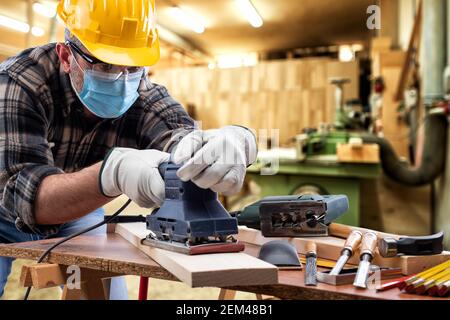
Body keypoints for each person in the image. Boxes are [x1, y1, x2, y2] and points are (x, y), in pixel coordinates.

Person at [0, 0, 256, 299]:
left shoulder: (142, 92)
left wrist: (229, 142)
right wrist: (112, 174)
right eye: (105, 64)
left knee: (102, 295)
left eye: (133, 66)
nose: (122, 80)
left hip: (76, 212)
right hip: (2, 208)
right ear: (66, 55)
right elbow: (22, 196)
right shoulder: (19, 82)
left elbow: (179, 137)